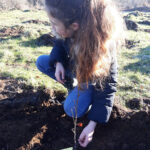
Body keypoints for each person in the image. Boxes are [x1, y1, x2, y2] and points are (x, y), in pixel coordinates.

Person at [36, 0, 125, 148]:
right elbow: (60, 42)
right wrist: (59, 62)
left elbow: (108, 86)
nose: (52, 28)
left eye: (54, 24)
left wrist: (92, 124)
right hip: (77, 69)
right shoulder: (70, 28)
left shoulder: (102, 47)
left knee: (71, 110)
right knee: (42, 62)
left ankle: (83, 93)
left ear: (74, 26)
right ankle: (72, 86)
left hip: (92, 80)